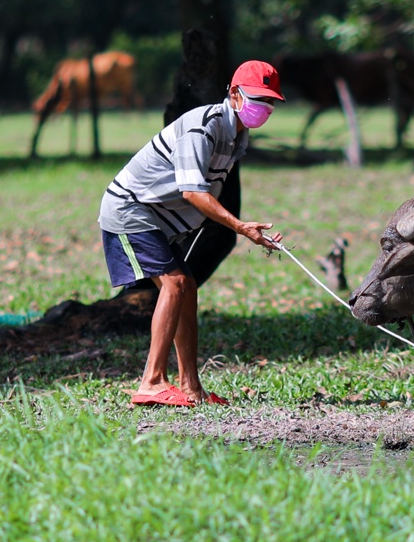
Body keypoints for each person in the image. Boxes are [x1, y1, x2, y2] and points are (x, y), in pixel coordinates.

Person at [98, 59, 287, 406]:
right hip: (131, 209)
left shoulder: (237, 136)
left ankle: (190, 387)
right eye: (258, 99)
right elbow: (193, 192)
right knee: (177, 284)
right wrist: (242, 228)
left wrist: (247, 230)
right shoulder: (204, 127)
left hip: (157, 218)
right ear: (233, 94)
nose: (265, 108)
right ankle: (151, 381)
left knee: (187, 291)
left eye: (270, 102)